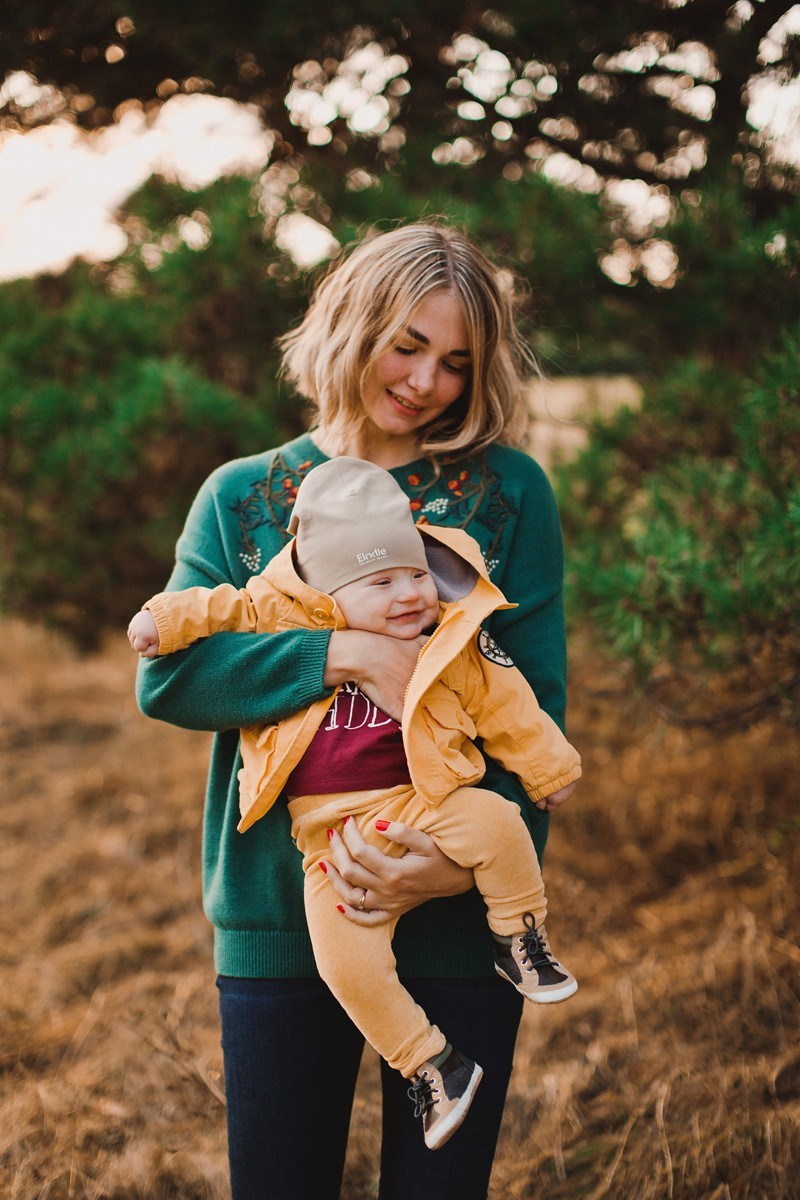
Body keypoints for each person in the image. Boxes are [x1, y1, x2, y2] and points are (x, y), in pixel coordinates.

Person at [135, 221, 576, 1200]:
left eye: (455, 363)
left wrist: (452, 867)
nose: (424, 382)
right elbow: (170, 678)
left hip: (462, 920)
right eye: (406, 344)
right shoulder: (242, 497)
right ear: (349, 321)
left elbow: (534, 704)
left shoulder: (505, 495)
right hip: (281, 918)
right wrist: (342, 651)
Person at [128, 456, 581, 1150]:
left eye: (416, 576)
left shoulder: (449, 636)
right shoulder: (268, 585)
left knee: (498, 821)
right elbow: (214, 614)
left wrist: (548, 770)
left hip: (422, 802)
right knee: (345, 963)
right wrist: (165, 621)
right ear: (330, 592)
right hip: (328, 846)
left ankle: (517, 932)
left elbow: (513, 704)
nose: (408, 595)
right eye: (381, 582)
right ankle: (431, 1063)